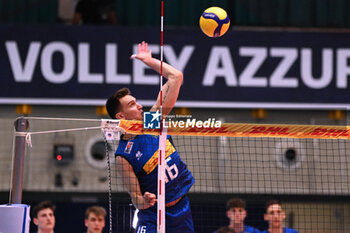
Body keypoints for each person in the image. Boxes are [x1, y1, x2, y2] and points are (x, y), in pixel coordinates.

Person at [106, 41, 195, 233]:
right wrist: (143, 200)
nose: (138, 106)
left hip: (181, 209)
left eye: (136, 102)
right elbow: (135, 197)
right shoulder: (123, 156)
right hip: (152, 214)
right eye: (131, 104)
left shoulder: (151, 123)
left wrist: (149, 61)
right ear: (120, 117)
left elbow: (176, 77)